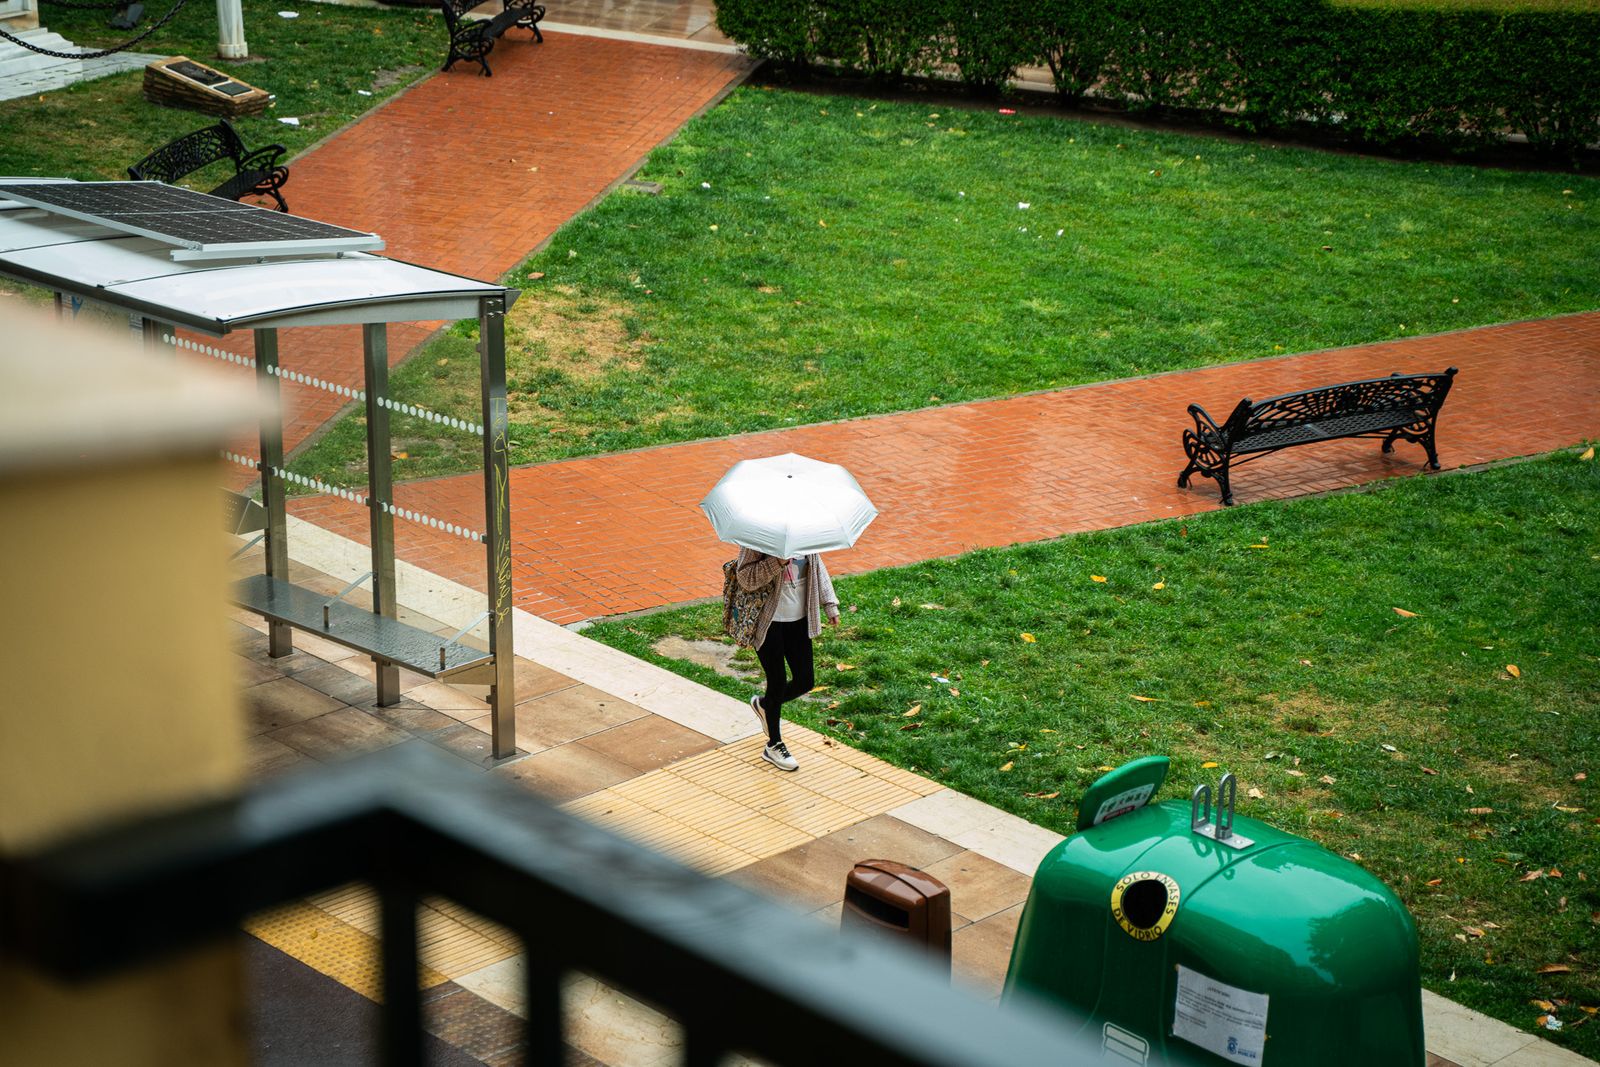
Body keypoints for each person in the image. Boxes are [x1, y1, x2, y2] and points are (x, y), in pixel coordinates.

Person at [735, 546, 840, 771]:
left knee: (805, 680)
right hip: (767, 622)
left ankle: (765, 705)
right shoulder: (758, 539)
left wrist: (830, 605)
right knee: (778, 682)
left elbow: (818, 568)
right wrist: (777, 562)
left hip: (799, 620)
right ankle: (773, 745)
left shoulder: (803, 536)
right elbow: (745, 578)